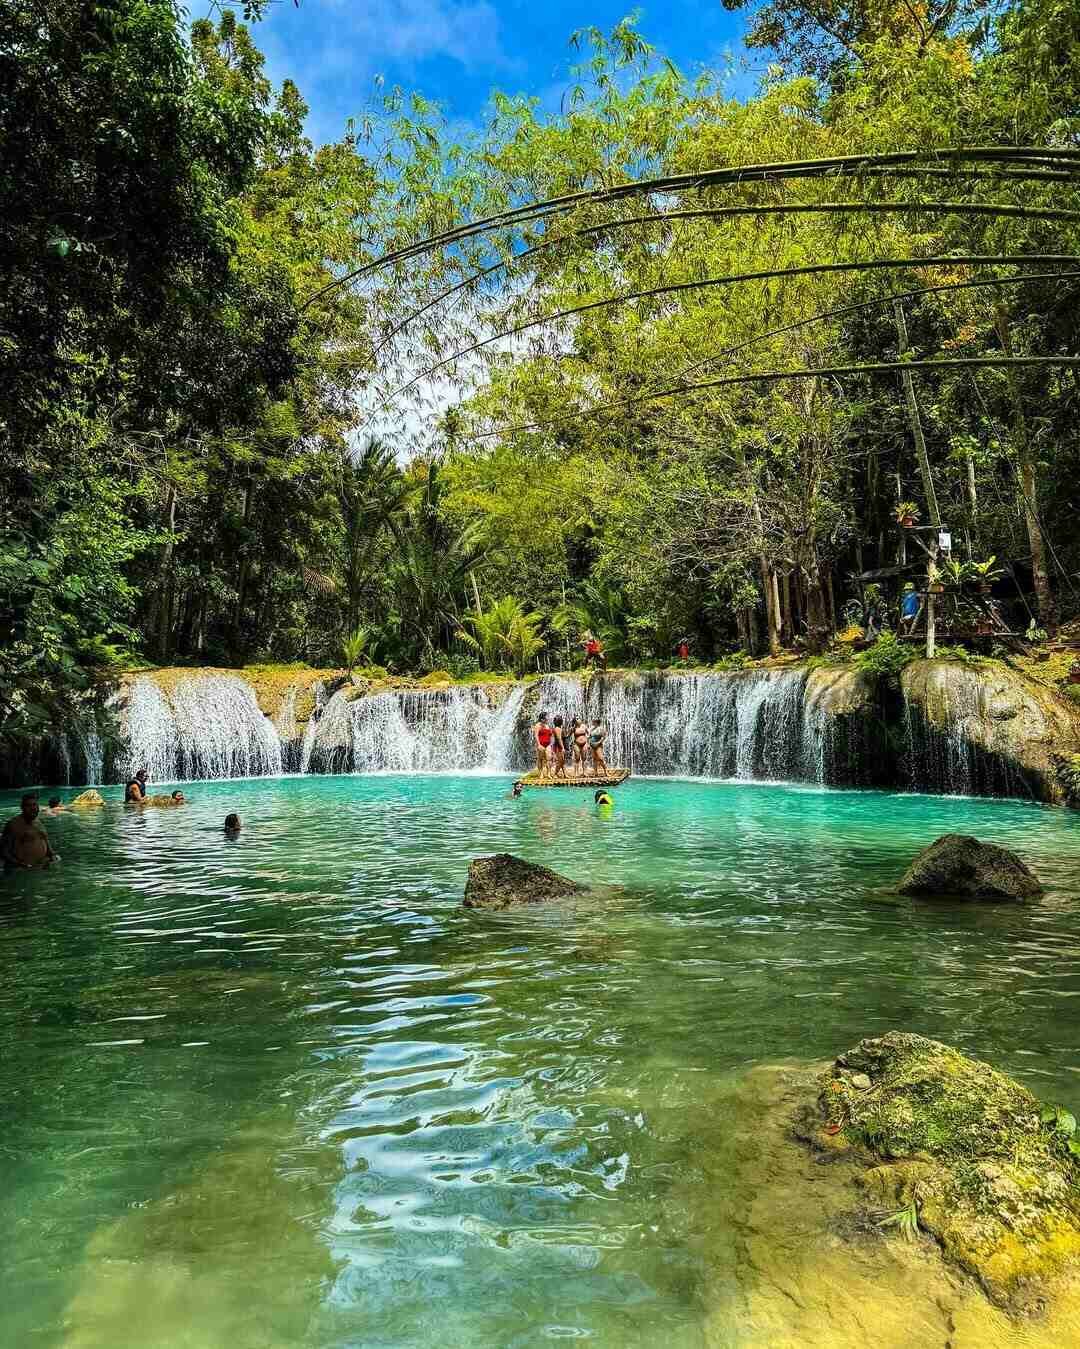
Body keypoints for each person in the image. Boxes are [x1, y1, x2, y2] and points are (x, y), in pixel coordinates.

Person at [2, 793, 58, 870]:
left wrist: (52, 855)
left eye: (35, 805)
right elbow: (4, 851)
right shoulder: (13, 825)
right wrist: (20, 865)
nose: (33, 808)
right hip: (23, 871)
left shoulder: (38, 823)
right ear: (22, 808)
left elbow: (45, 840)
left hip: (41, 867)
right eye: (29, 805)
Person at [533, 711, 554, 777]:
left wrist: (552, 744)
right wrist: (538, 745)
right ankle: (541, 773)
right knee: (540, 759)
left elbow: (550, 735)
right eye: (546, 718)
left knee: (549, 758)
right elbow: (536, 736)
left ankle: (548, 773)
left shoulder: (547, 726)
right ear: (542, 719)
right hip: (540, 744)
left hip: (548, 744)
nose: (547, 719)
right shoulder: (537, 725)